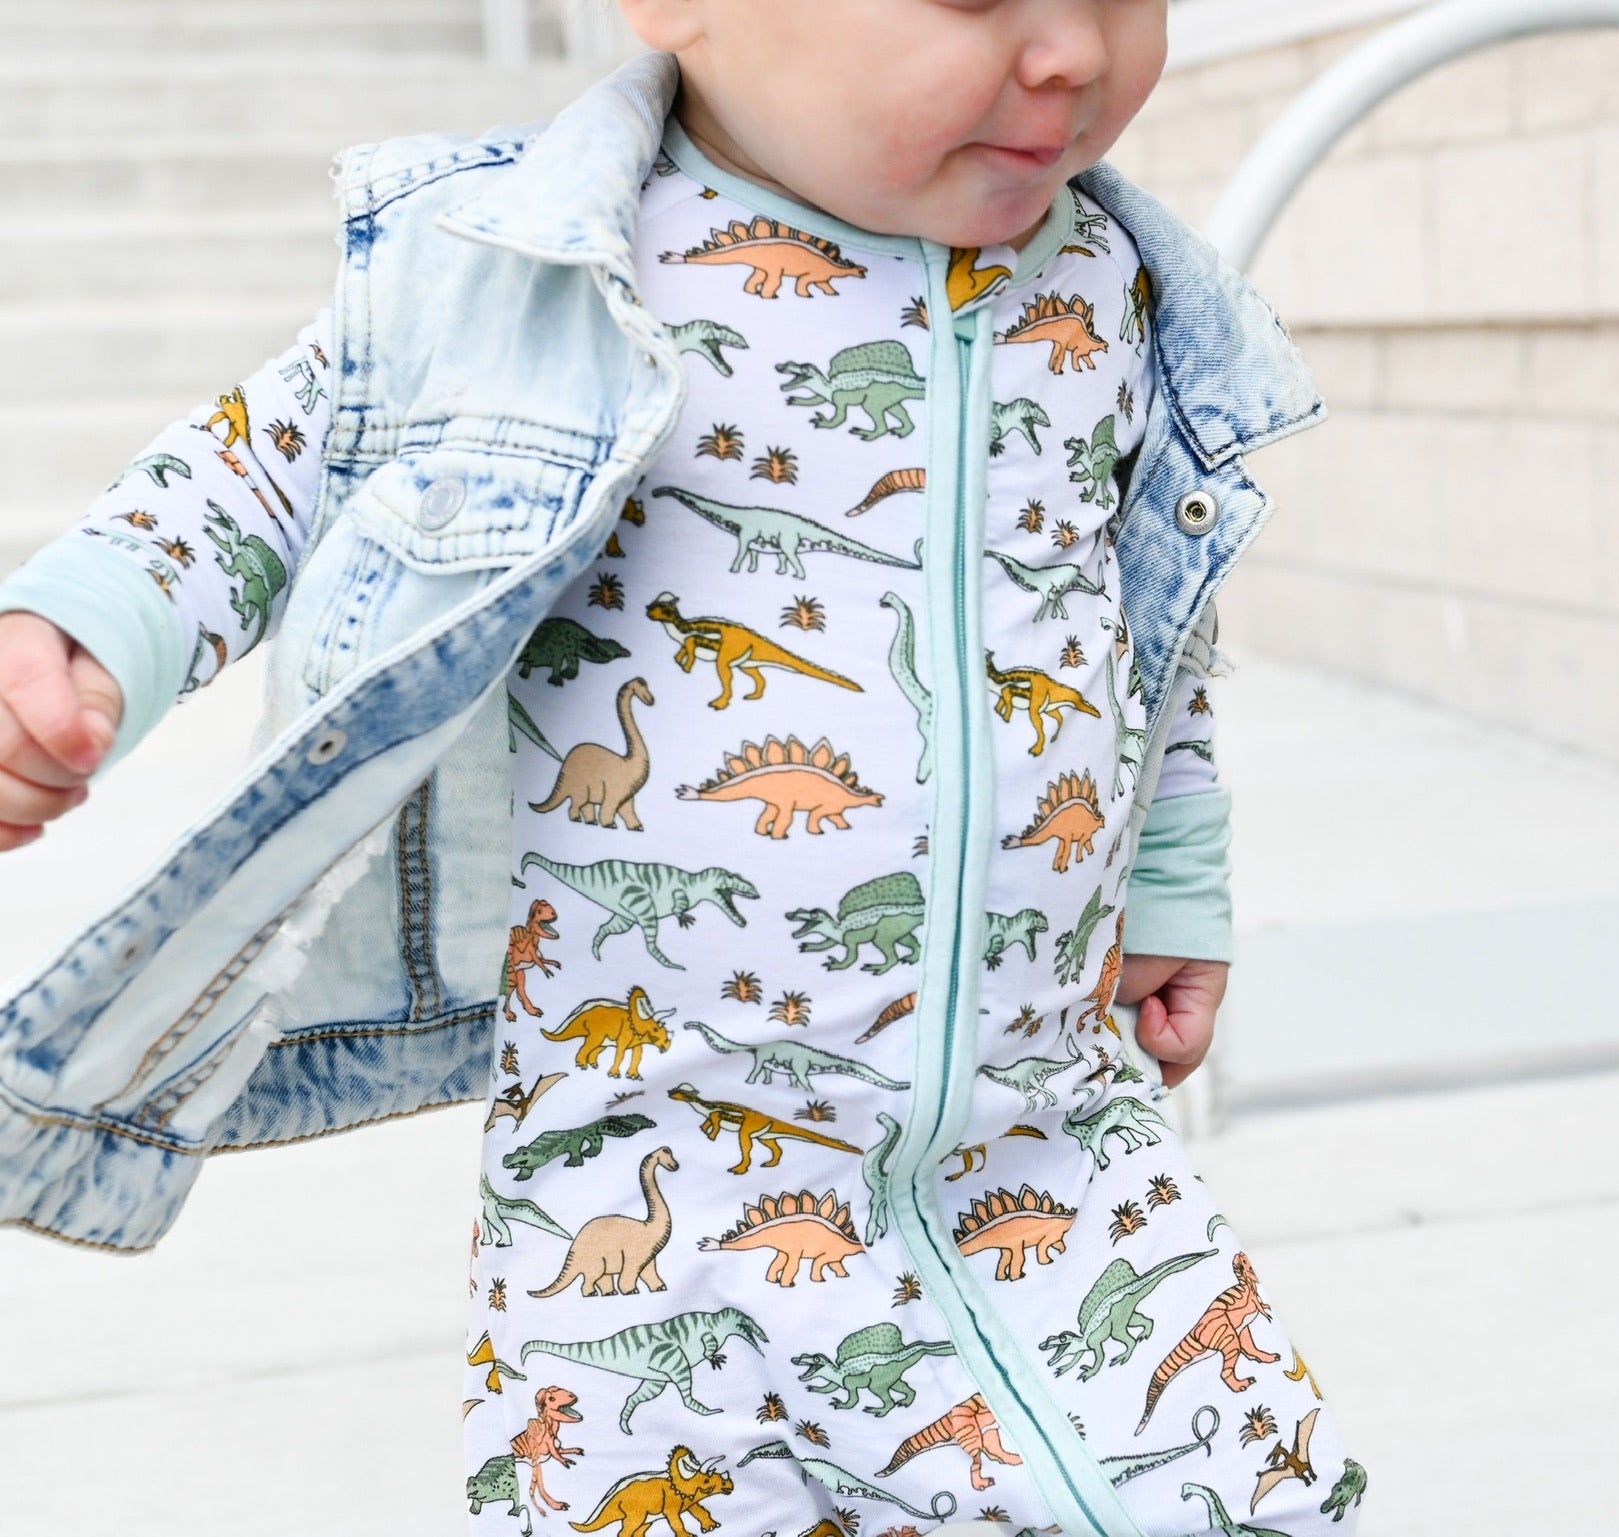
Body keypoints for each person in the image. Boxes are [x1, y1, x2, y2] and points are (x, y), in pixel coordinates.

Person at [0, 2, 1365, 1533]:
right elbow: (263, 465)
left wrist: (1170, 870)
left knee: (1240, 1487)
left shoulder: (1111, 288)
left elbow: (1138, 623)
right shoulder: (536, 264)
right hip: (656, 1171)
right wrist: (85, 625)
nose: (1070, 54)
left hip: (1046, 1131)